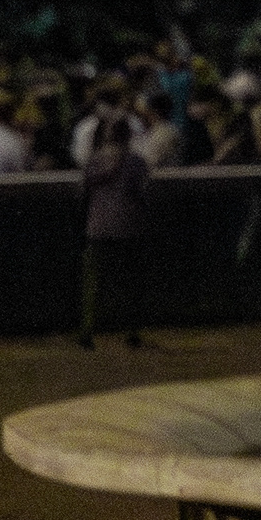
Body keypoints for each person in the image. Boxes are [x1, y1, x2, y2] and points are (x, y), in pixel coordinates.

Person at [78, 91, 152, 349]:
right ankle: (131, 333)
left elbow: (85, 190)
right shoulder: (136, 163)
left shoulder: (95, 160)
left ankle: (87, 332)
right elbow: (141, 193)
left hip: (98, 226)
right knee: (131, 283)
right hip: (128, 227)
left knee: (93, 284)